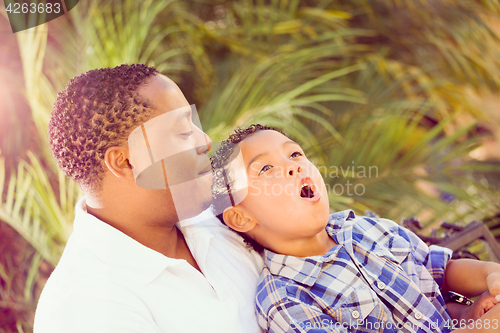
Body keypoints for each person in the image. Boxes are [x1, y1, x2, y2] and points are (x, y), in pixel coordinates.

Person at [34, 64, 263, 333]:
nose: (205, 140)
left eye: (194, 123)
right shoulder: (85, 308)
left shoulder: (223, 219)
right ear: (125, 162)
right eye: (183, 132)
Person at [211, 124, 500, 333]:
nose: (292, 167)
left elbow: (440, 271)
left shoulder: (366, 229)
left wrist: (487, 281)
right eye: (264, 169)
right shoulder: (285, 300)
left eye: (295, 154)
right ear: (241, 218)